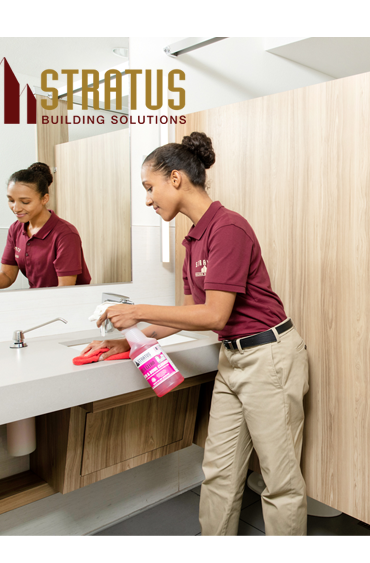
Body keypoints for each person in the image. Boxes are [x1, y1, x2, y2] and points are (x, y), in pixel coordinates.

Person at [83, 132, 310, 536]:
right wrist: (132, 336)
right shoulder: (194, 239)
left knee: (279, 480)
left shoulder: (229, 228)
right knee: (219, 469)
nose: (148, 200)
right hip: (233, 359)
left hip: (269, 356)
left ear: (175, 179)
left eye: (149, 187)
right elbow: (189, 315)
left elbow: (215, 314)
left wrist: (135, 310)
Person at [0, 162, 91, 291]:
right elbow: (7, 275)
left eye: (25, 202)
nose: (16, 208)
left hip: (65, 302)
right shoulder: (15, 229)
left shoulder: (65, 234)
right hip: (37, 301)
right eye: (11, 200)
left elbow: (65, 289)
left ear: (44, 199)